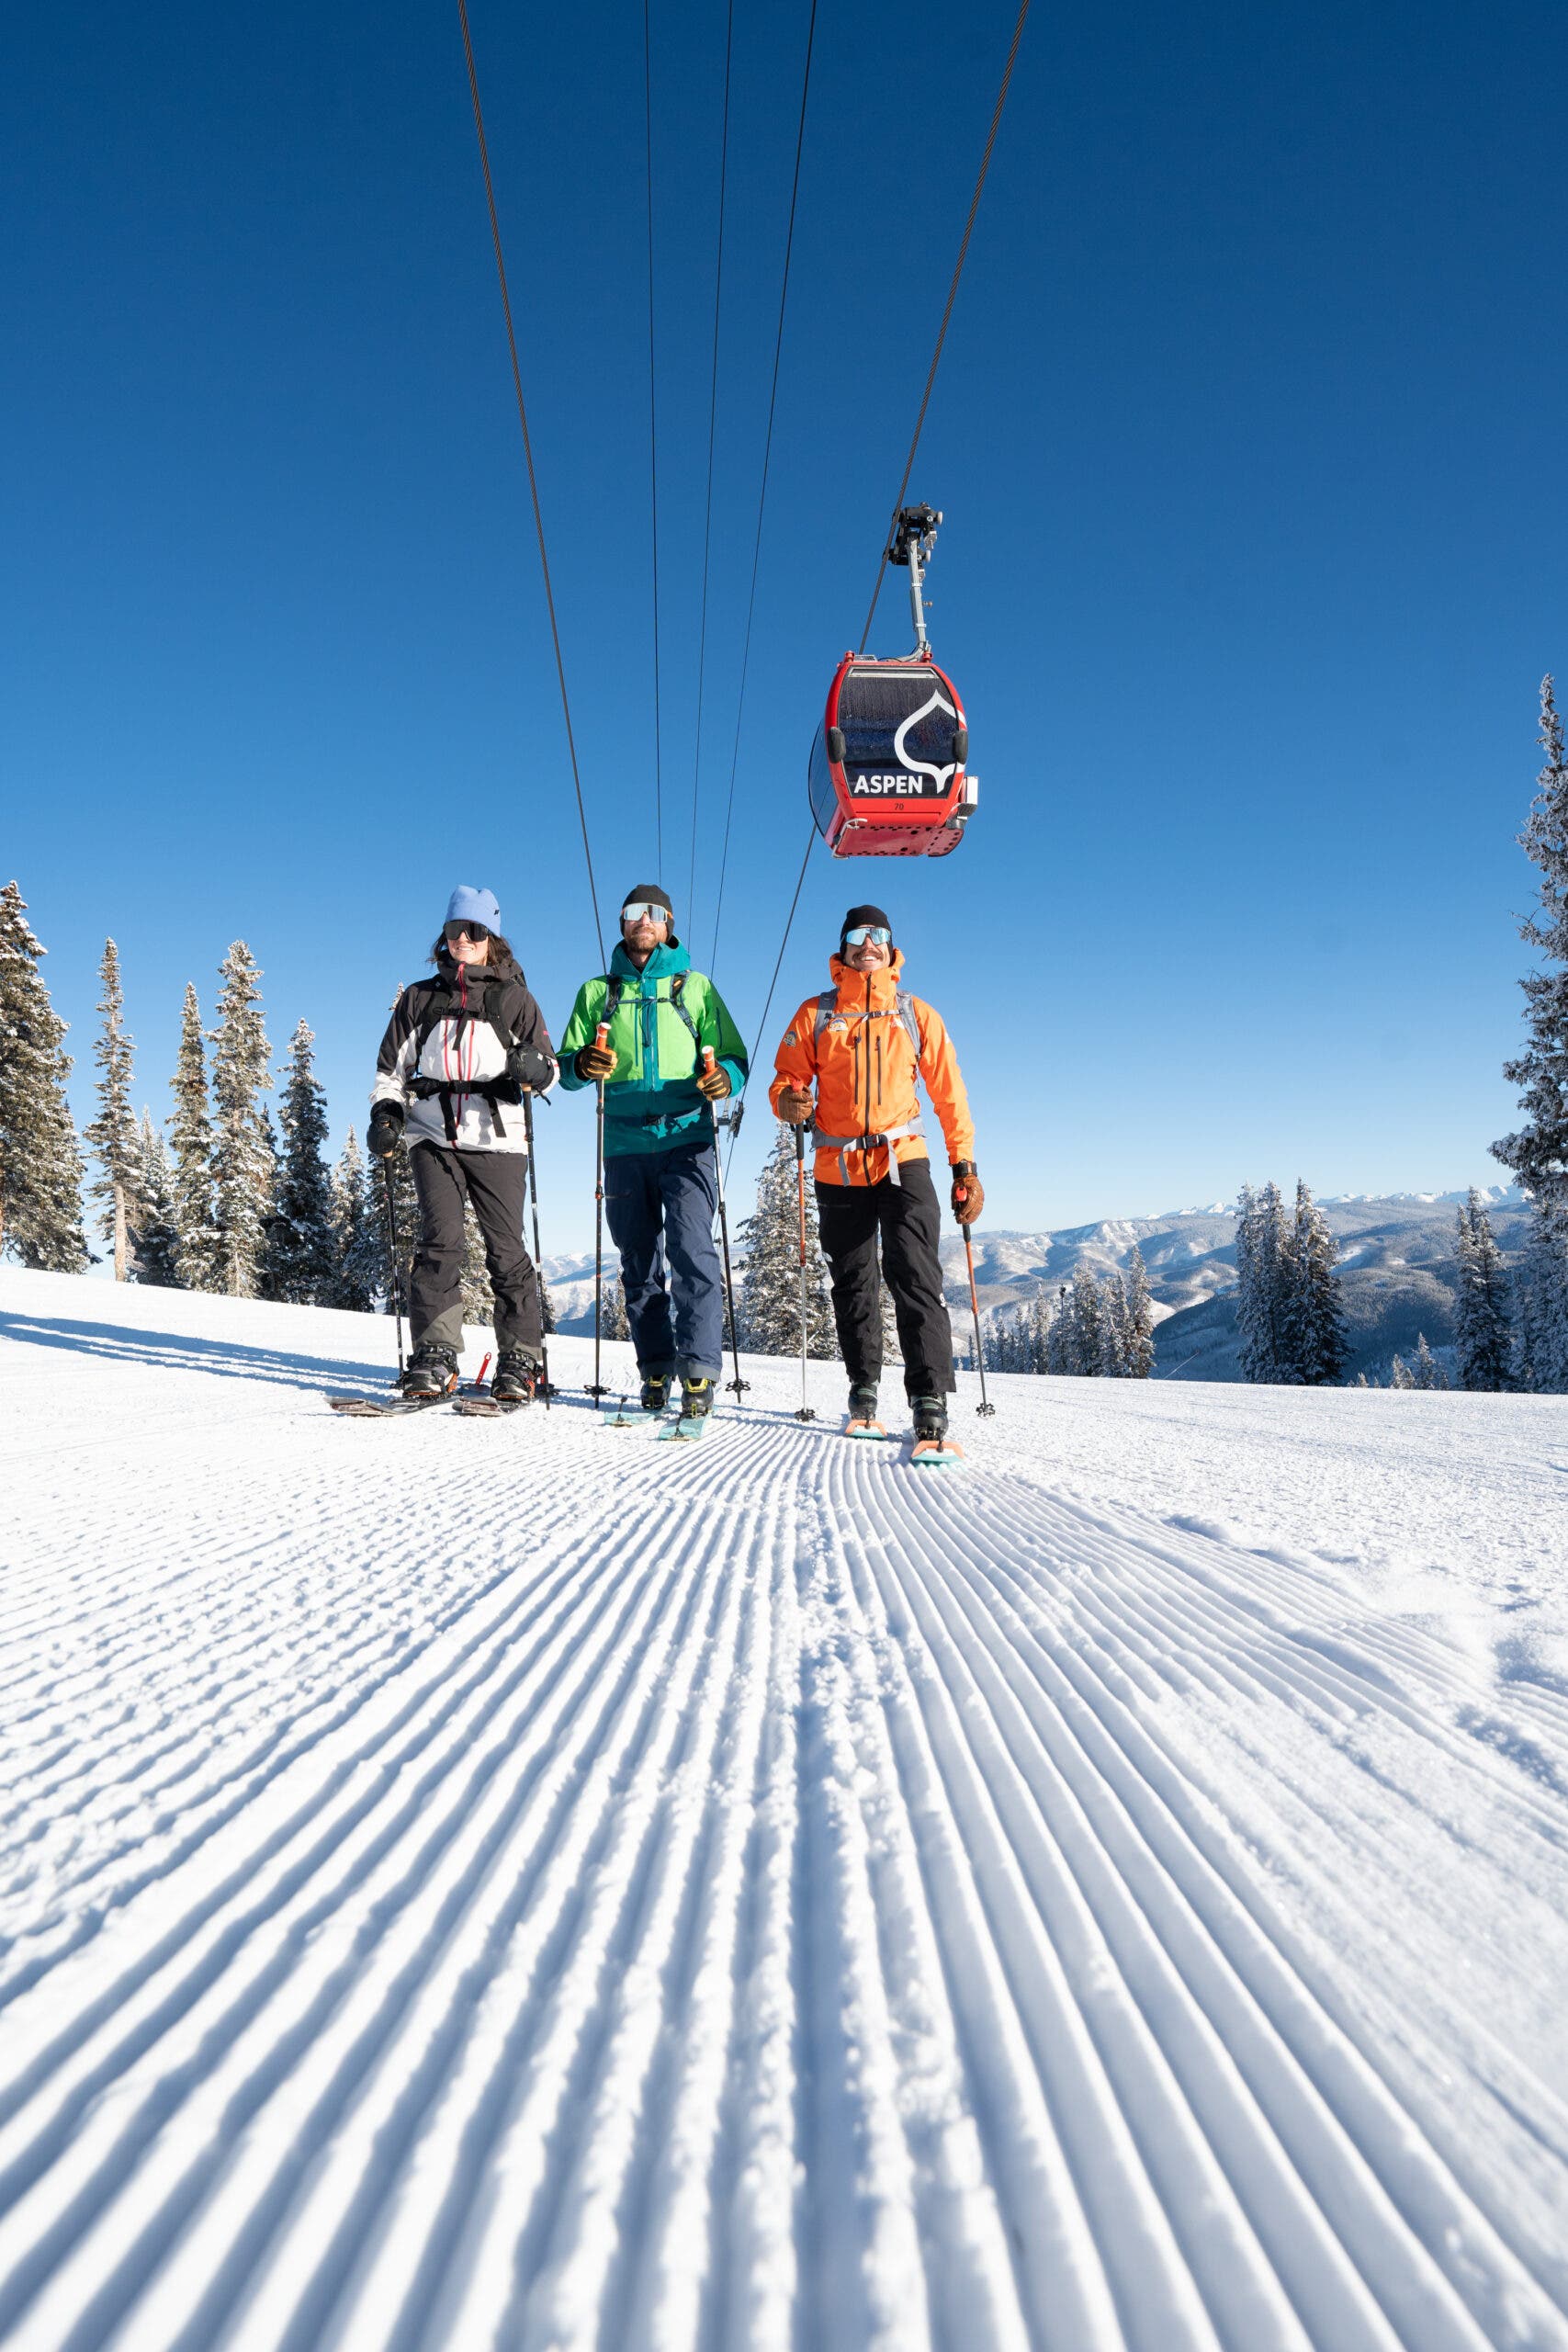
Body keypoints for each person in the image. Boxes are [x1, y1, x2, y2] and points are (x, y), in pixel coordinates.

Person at [769, 903, 982, 1444]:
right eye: (859, 935)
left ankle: (929, 1397)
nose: (870, 943)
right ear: (842, 948)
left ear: (891, 949)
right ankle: (863, 1388)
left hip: (902, 1158)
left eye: (879, 935)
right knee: (853, 1281)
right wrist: (789, 1102)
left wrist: (965, 1167)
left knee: (915, 1273)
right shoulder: (815, 1014)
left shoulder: (916, 1014)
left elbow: (949, 1095)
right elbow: (786, 1080)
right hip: (837, 1165)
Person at [558, 885, 748, 1419]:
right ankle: (656, 1367)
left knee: (691, 1249)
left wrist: (723, 1079)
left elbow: (733, 1055)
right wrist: (582, 1066)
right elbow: (568, 1064)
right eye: (633, 913)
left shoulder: (696, 987)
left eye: (654, 914)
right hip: (623, 1140)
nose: (643, 921)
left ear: (668, 925)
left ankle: (699, 1371)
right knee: (638, 1261)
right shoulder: (598, 991)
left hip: (687, 1136)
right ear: (622, 924)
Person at [367, 886, 558, 1400]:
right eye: (456, 930)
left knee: (506, 1250)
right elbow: (391, 1071)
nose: (464, 939)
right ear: (445, 936)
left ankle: (520, 1360)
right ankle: (435, 1355)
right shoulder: (419, 999)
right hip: (431, 1135)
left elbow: (551, 1070)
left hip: (498, 1141)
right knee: (439, 1243)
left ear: (492, 938)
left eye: (475, 931)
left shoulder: (514, 998)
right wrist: (386, 1112)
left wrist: (533, 1069)